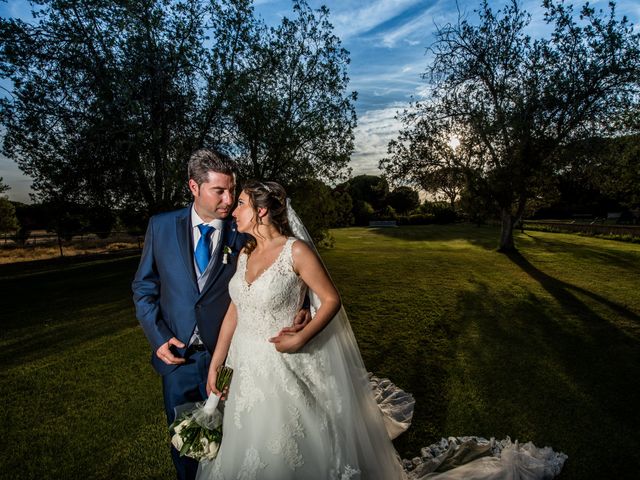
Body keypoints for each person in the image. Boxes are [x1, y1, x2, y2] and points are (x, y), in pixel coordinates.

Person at [196, 180, 567, 480]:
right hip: (243, 364)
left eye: (241, 201)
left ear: (261, 210)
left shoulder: (296, 252)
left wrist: (300, 336)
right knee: (243, 443)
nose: (234, 208)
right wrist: (218, 361)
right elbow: (235, 308)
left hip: (283, 366)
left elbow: (331, 300)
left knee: (289, 444)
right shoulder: (244, 252)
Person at [132, 150, 310, 480]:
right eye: (219, 191)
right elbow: (143, 289)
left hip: (231, 357)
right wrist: (157, 338)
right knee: (184, 440)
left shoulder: (244, 227)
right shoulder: (160, 227)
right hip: (178, 359)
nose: (229, 200)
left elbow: (288, 262)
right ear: (194, 187)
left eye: (232, 190)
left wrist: (301, 307)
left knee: (234, 439)